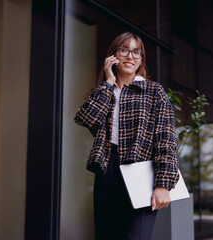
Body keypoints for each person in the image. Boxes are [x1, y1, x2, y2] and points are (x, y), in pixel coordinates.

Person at [74, 32, 179, 240]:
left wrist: (163, 184)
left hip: (141, 169)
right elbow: (85, 118)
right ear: (113, 56)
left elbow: (166, 138)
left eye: (136, 52)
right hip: (107, 170)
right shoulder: (104, 91)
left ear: (141, 60)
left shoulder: (153, 91)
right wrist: (108, 83)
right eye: (124, 50)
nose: (130, 56)